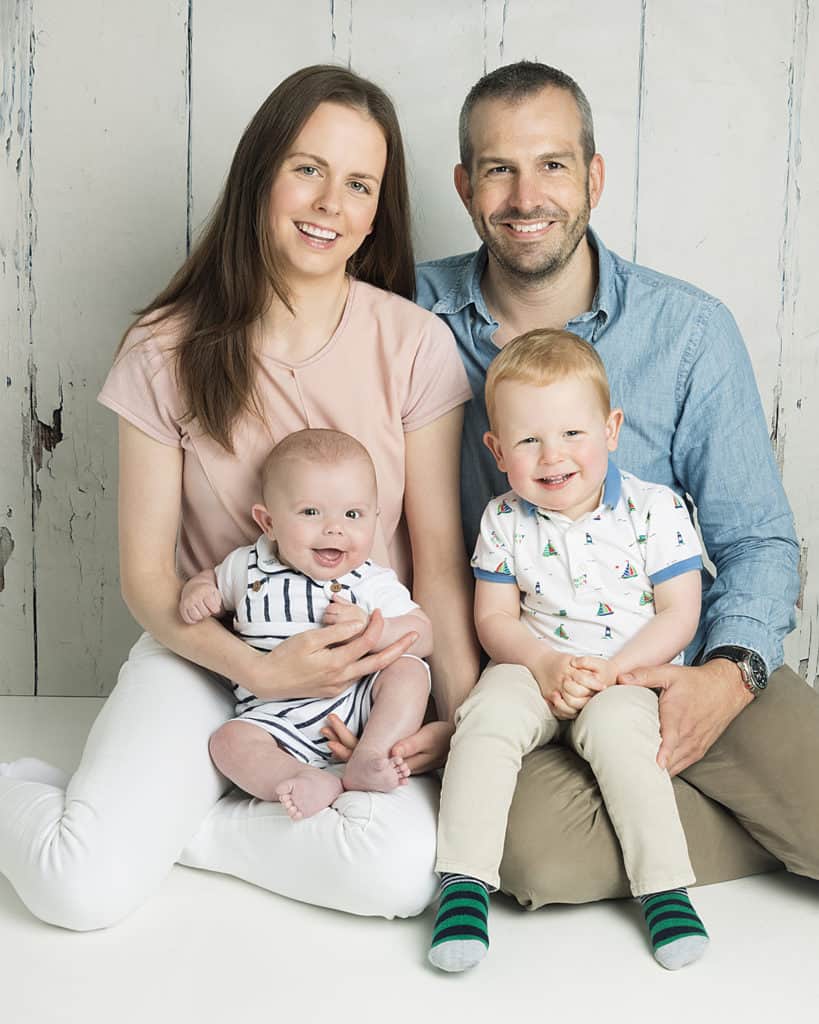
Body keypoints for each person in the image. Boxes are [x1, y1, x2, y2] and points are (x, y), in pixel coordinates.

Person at [0, 64, 477, 930]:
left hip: (357, 686)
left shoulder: (413, 344)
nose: (330, 202)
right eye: (308, 168)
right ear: (260, 173)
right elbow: (148, 581)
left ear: (377, 210)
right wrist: (259, 669)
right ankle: (25, 795)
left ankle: (185, 827)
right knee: (76, 892)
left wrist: (462, 720)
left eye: (359, 183)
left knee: (399, 876)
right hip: (205, 660)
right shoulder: (163, 347)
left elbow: (438, 565)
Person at [415, 60, 819, 907]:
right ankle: (679, 841)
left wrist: (729, 674)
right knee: (532, 864)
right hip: (524, 673)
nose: (527, 196)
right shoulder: (406, 318)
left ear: (592, 177)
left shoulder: (686, 330)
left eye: (553, 164)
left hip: (671, 657)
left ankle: (688, 821)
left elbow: (757, 538)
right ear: (463, 185)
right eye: (499, 168)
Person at [428, 329, 708, 973]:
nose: (553, 456)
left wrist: (615, 673)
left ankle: (664, 888)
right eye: (528, 440)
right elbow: (494, 619)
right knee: (485, 718)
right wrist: (545, 664)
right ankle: (463, 884)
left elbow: (680, 614)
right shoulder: (504, 520)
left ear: (611, 429)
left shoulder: (652, 509)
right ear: (497, 450)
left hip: (625, 670)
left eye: (572, 434)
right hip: (534, 664)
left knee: (621, 738)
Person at [181, 428, 432, 820]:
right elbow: (209, 581)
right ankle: (304, 777)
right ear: (269, 523)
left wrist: (374, 628)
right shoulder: (247, 567)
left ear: (374, 519)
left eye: (353, 514)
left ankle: (371, 755)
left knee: (410, 671)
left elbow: (424, 634)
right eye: (311, 512)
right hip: (274, 716)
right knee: (228, 742)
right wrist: (199, 592)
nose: (335, 528)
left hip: (357, 705)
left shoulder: (368, 580)